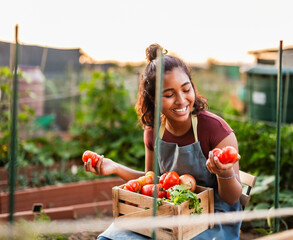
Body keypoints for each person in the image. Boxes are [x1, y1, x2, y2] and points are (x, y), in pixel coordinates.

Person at [84, 43, 243, 240]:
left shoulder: (215, 130)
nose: (181, 100)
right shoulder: (153, 131)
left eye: (186, 89)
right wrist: (114, 167)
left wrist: (225, 173)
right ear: (153, 99)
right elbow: (151, 179)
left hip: (212, 218)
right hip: (166, 215)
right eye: (169, 95)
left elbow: (232, 198)